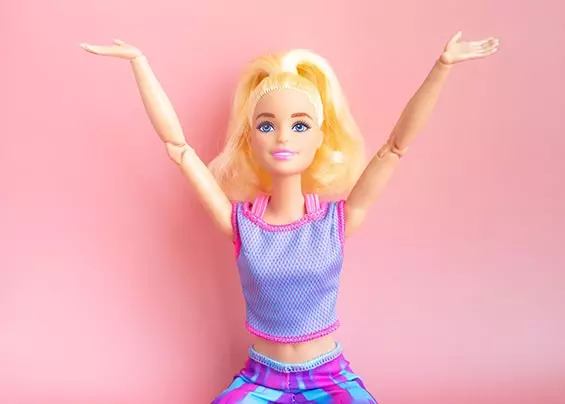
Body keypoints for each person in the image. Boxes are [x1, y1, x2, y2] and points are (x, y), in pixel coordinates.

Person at [80, 31, 499, 403]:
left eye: (300, 126)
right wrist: (139, 63)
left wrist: (442, 66)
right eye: (266, 126)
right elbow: (179, 149)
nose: (283, 137)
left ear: (320, 137)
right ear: (250, 139)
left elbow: (394, 147)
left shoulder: (335, 221)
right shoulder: (241, 224)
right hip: (260, 380)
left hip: (329, 377)